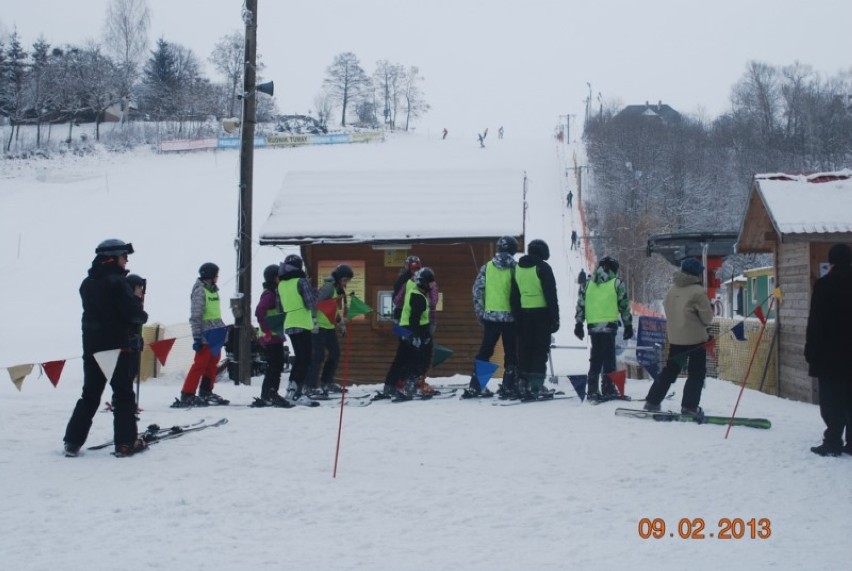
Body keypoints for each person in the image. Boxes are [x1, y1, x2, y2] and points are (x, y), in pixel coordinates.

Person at [63, 239, 148, 457]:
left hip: (92, 346)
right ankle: (126, 443)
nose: (126, 260)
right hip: (117, 346)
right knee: (123, 395)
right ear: (113, 257)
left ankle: (72, 441)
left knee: (90, 395)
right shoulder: (117, 282)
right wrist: (138, 302)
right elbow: (133, 315)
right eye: (124, 256)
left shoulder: (87, 282)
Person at [643, 258, 714, 418]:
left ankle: (652, 401)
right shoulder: (697, 291)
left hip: (675, 339)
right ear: (697, 274)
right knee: (696, 373)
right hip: (696, 340)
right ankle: (689, 406)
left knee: (670, 371)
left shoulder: (671, 291)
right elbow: (707, 319)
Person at [805, 243, 852, 457]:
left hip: (829, 354)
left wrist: (811, 349)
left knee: (832, 400)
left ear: (831, 261)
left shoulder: (825, 285)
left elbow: (816, 321)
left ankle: (833, 440)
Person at [463, 236, 519, 398]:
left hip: (491, 317)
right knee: (511, 352)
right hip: (511, 318)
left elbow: (477, 291)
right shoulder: (516, 268)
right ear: (513, 250)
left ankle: (476, 386)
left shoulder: (487, 267)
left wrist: (481, 313)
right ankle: (509, 386)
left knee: (485, 351)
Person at [574, 255, 633, 400]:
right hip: (609, 325)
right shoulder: (617, 283)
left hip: (593, 326)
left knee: (595, 357)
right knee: (609, 358)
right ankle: (608, 388)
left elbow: (580, 304)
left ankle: (593, 389)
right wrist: (628, 325)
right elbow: (624, 306)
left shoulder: (588, 284)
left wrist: (579, 324)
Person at [173, 263, 230, 407]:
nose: (218, 277)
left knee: (212, 363)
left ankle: (206, 391)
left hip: (216, 333)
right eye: (216, 274)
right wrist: (197, 336)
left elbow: (215, 314)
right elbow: (196, 315)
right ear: (210, 275)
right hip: (205, 334)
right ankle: (187, 393)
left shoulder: (213, 291)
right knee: (200, 364)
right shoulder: (200, 291)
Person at [510, 239, 560, 400]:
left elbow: (514, 296)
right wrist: (555, 318)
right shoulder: (543, 268)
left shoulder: (517, 268)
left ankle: (522, 382)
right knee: (540, 349)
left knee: (525, 349)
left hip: (524, 314)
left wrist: (516, 317)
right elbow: (551, 295)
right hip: (542, 314)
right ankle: (536, 385)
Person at [380, 267, 436, 400]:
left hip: (405, 329)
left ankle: (390, 385)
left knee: (401, 359)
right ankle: (411, 386)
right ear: (424, 282)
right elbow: (414, 318)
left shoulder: (414, 292)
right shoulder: (419, 298)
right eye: (430, 283)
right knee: (417, 360)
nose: (432, 285)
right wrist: (416, 336)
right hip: (414, 331)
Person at [278, 254, 319, 406]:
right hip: (302, 322)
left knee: (299, 358)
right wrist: (315, 291)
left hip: (289, 323)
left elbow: (279, 307)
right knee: (305, 359)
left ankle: (292, 389)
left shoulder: (281, 284)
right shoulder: (301, 281)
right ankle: (297, 393)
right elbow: (311, 303)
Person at [306, 264, 353, 395]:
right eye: (345, 280)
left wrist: (340, 323)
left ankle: (327, 382)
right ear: (338, 278)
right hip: (319, 326)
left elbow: (331, 309)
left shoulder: (336, 289)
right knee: (318, 356)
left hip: (329, 326)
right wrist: (314, 321)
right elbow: (315, 303)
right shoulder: (328, 287)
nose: (346, 283)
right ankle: (310, 386)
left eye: (347, 281)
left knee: (335, 353)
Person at [253, 264, 292, 407]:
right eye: (280, 277)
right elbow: (259, 311)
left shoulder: (274, 292)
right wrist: (267, 332)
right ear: (275, 278)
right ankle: (270, 393)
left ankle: (269, 393)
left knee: (276, 365)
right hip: (271, 337)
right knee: (275, 366)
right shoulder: (269, 294)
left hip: (276, 335)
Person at [392, 255, 422, 322]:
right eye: (412, 268)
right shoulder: (403, 279)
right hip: (402, 313)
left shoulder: (422, 279)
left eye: (416, 268)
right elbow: (396, 298)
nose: (414, 270)